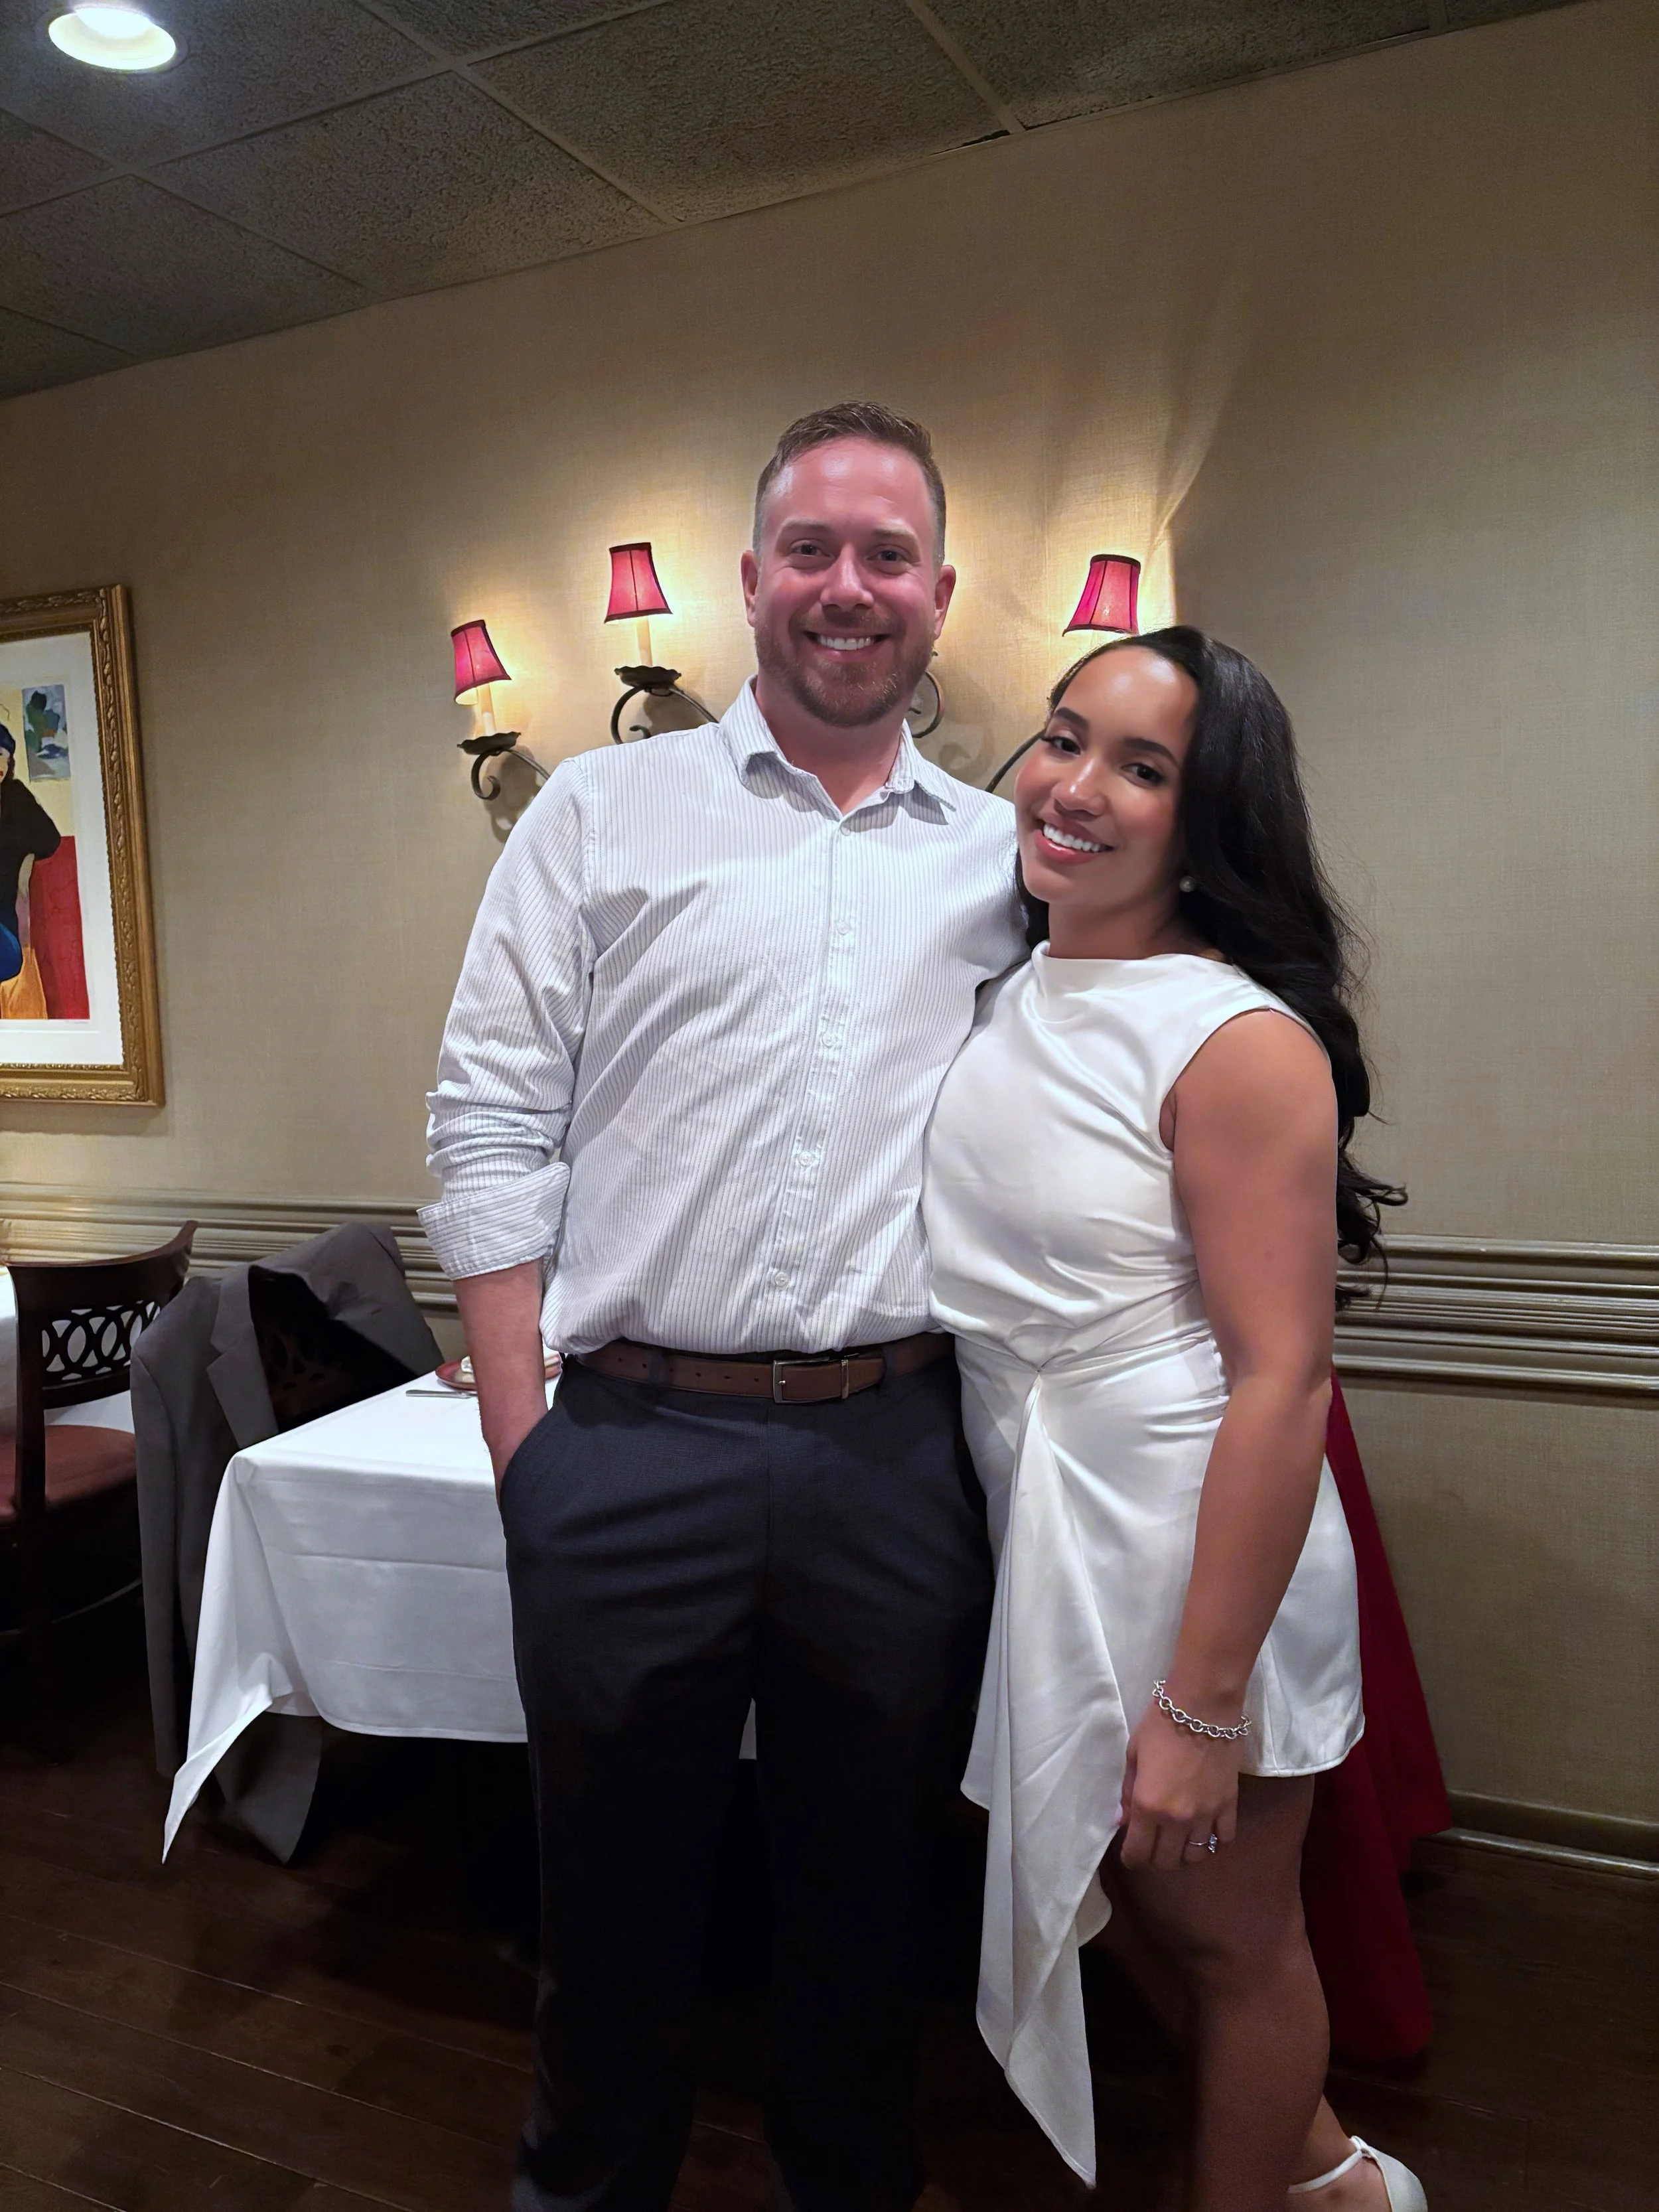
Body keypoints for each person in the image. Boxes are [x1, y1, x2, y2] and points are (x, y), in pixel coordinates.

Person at [422, 401, 1026, 2212]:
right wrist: (533, 1440)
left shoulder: (1007, 856)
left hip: (895, 1455)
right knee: (607, 1923)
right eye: (812, 549)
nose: (849, 586)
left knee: (865, 1927)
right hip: (624, 1446)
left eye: (887, 554)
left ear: (938, 591)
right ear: (749, 578)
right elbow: (489, 1111)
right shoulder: (603, 810)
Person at [922, 629, 1426, 2211]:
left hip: (1183, 1523)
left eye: (1142, 768)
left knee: (1228, 1935)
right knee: (1134, 1904)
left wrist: (1204, 1710)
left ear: (1210, 821)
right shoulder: (1009, 988)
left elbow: (1283, 1380)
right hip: (1043, 1510)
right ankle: (1334, 2173)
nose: (1075, 787)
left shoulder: (1236, 1039)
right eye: (1065, 739)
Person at [0, 721, 60, 995]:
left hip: (3, 922)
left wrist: (25, 857)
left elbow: (50, 838)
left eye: (3, 755)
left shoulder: (15, 796)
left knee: (8, 959)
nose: (0, 762)